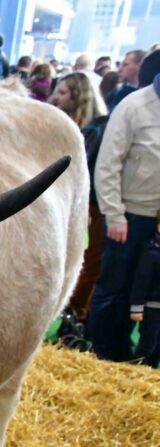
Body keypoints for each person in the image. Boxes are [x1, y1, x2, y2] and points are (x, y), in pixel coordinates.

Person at [87, 66, 160, 361]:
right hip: (128, 215)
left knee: (148, 293)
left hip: (156, 221)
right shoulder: (134, 106)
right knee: (115, 287)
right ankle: (104, 351)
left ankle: (138, 354)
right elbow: (107, 165)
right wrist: (114, 215)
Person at [50, 72, 108, 323]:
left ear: (78, 97)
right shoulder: (62, 125)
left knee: (85, 261)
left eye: (62, 93)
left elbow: (84, 171)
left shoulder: (92, 131)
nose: (56, 98)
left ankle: (75, 313)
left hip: (90, 203)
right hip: (73, 200)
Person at [130, 224, 160, 367]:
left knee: (157, 345)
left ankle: (151, 370)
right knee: (148, 343)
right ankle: (136, 369)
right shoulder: (151, 255)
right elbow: (140, 283)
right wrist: (137, 308)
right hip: (152, 309)